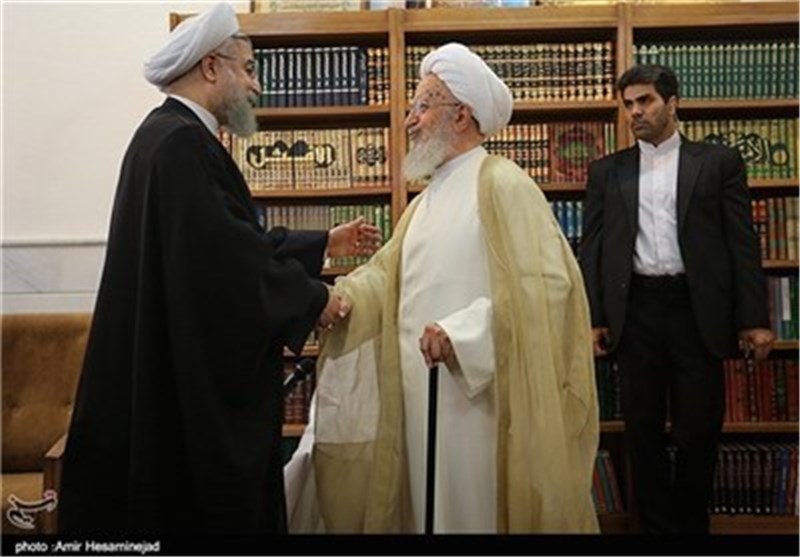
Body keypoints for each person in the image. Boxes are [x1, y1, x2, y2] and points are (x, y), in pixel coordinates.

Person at [59, 3, 380, 535]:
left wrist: (323, 242)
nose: (256, 87)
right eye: (248, 69)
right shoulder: (182, 143)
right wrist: (313, 299)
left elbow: (226, 241)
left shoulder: (164, 134)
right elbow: (226, 264)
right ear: (212, 67)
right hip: (182, 399)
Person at [290, 42, 599, 534]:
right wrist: (339, 298)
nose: (409, 120)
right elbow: (386, 275)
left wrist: (463, 334)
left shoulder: (503, 184)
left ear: (461, 115)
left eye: (423, 106)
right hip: (417, 394)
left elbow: (547, 289)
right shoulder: (423, 202)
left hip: (477, 398)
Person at [579, 64, 775, 534]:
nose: (635, 112)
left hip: (697, 311)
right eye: (628, 104)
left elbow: (742, 243)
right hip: (636, 313)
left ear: (672, 103)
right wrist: (594, 318)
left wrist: (753, 319)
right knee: (642, 432)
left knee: (699, 432)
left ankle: (691, 529)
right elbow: (594, 250)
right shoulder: (607, 171)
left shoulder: (719, 163)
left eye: (645, 101)